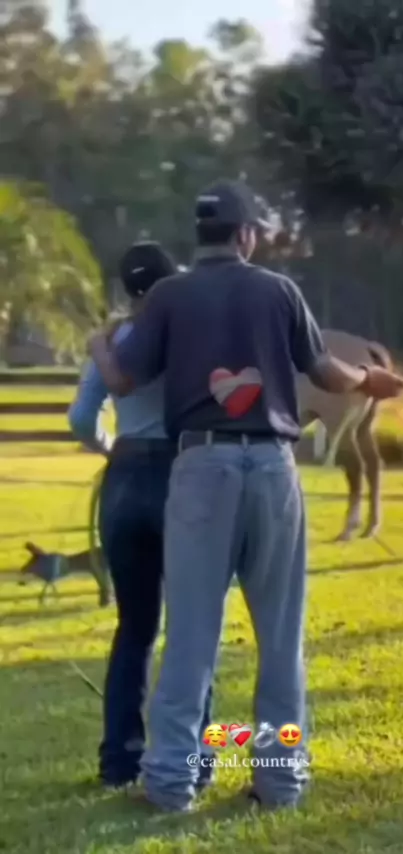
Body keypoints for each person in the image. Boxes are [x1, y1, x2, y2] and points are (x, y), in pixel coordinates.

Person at [89, 180, 403, 812]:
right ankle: (278, 779)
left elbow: (123, 379)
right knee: (280, 638)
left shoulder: (169, 297)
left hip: (199, 467)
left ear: (201, 234)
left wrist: (99, 343)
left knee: (190, 636)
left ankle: (171, 783)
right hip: (271, 468)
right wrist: (370, 378)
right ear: (245, 234)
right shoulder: (278, 290)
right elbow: (324, 371)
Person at [68, 241, 214, 790]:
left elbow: (81, 419)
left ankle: (119, 761)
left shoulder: (112, 341)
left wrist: (112, 447)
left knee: (134, 626)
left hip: (125, 475)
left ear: (127, 290)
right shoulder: (192, 336)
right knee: (191, 627)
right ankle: (191, 758)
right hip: (181, 473)